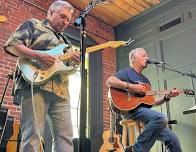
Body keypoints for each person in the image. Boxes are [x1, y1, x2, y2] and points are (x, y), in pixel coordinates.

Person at [4, 1, 80, 151]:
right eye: (62, 17)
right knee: (32, 135)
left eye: (68, 20)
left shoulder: (66, 42)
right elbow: (11, 45)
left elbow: (67, 69)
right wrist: (37, 55)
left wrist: (74, 62)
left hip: (61, 90)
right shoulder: (34, 24)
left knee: (65, 137)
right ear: (51, 12)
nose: (65, 22)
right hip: (34, 84)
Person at [106, 48, 182, 152]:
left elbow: (152, 102)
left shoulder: (146, 81)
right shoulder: (127, 73)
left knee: (173, 139)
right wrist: (130, 86)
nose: (147, 58)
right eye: (144, 55)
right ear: (134, 58)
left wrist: (167, 97)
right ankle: (138, 149)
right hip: (131, 111)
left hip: (147, 115)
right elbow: (110, 80)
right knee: (161, 118)